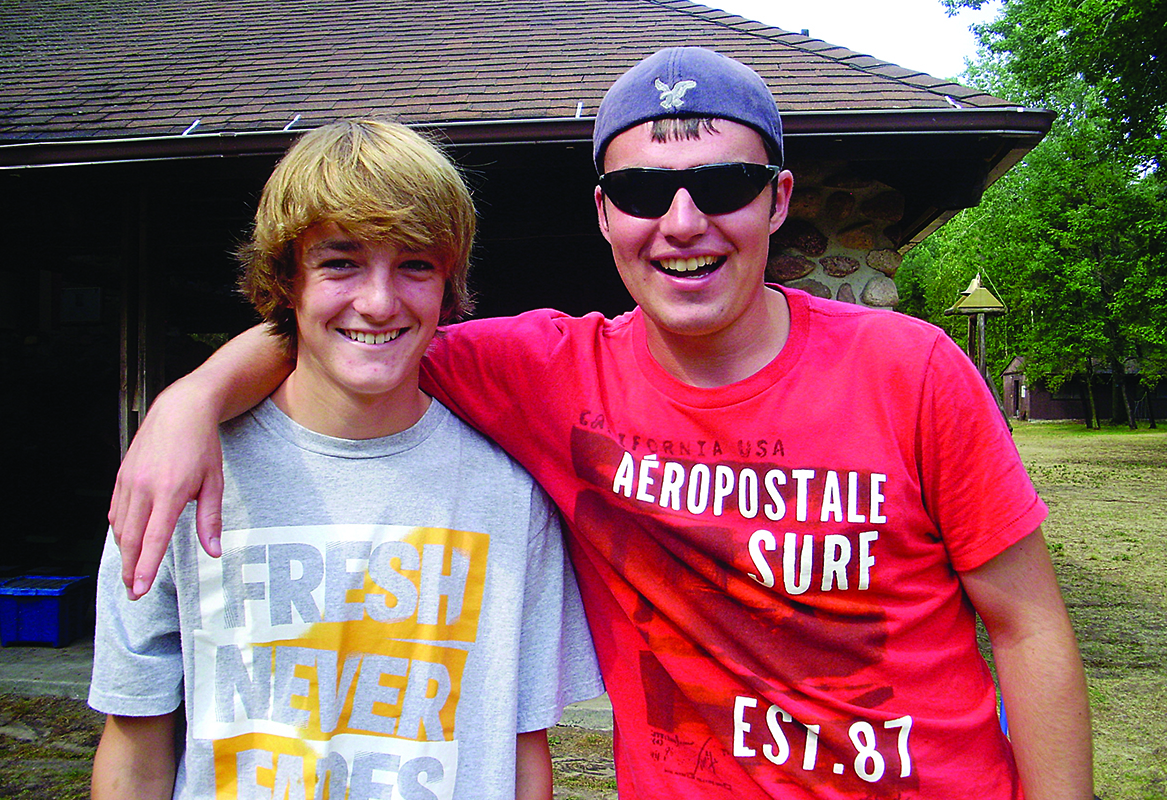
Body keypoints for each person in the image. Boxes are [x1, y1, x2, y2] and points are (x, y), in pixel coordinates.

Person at [108, 48, 1093, 799]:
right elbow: (356, 336)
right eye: (640, 191)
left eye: (722, 186)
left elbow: (1029, 622)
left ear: (779, 199)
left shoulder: (913, 371)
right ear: (604, 215)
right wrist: (192, 399)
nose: (681, 220)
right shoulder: (545, 371)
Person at [89, 119, 602, 800]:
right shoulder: (177, 474)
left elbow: (521, 749)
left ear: (448, 285)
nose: (379, 301)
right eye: (340, 262)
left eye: (415, 263)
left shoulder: (508, 491)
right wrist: (193, 400)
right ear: (287, 278)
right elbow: (135, 745)